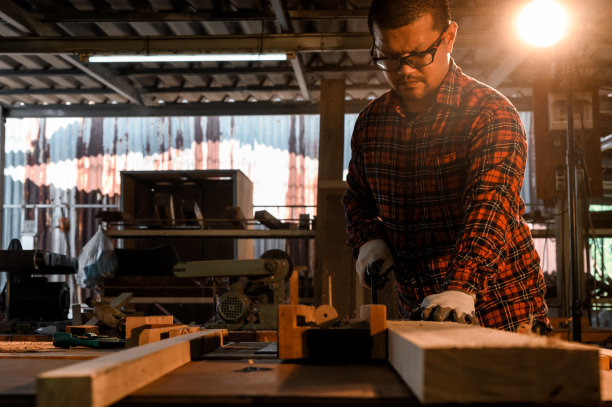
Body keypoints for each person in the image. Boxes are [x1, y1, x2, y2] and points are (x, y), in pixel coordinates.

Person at [342, 0, 550, 332]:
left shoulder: (491, 114)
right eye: (389, 58)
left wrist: (461, 286)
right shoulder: (371, 123)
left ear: (449, 38)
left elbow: (490, 205)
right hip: (419, 310)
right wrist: (369, 239)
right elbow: (357, 198)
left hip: (500, 308)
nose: (405, 71)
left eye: (418, 55)